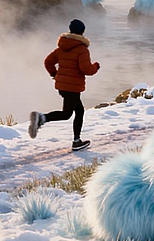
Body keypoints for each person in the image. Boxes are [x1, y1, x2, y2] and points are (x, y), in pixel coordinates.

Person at [28, 18, 100, 151]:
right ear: (82, 32)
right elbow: (86, 70)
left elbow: (48, 62)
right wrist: (96, 66)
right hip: (72, 87)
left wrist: (55, 75)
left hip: (63, 86)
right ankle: (42, 118)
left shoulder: (62, 47)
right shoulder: (81, 49)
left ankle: (77, 141)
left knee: (79, 110)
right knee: (67, 114)